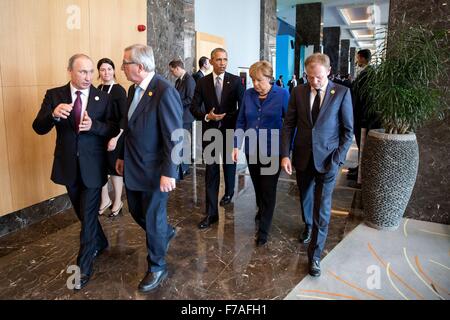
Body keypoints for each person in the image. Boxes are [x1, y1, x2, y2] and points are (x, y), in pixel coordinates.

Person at [32, 54, 119, 290]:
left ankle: (82, 269)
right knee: (83, 213)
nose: (89, 77)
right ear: (69, 71)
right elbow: (38, 127)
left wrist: (95, 126)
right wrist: (52, 115)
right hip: (68, 166)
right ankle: (100, 241)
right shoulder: (55, 95)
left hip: (93, 167)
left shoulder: (103, 98)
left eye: (91, 72)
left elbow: (112, 127)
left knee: (88, 216)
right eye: (83, 72)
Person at [116, 44, 182, 292]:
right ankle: (165, 232)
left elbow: (175, 136)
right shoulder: (134, 89)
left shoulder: (164, 91)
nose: (122, 67)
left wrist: (169, 172)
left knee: (153, 219)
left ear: (140, 67)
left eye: (125, 63)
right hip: (134, 167)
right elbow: (129, 128)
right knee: (135, 211)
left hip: (157, 171)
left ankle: (156, 266)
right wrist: (122, 156)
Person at [280, 53, 353, 277]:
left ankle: (315, 256)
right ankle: (308, 225)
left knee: (322, 207)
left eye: (319, 77)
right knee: (305, 197)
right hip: (302, 157)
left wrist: (337, 160)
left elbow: (348, 131)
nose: (314, 82)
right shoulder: (298, 91)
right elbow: (288, 125)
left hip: (328, 160)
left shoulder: (341, 93)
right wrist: (285, 155)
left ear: (328, 72)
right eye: (310, 77)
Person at [232, 61, 289, 246]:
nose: (255, 84)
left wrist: (286, 152)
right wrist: (235, 145)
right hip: (252, 149)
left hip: (273, 150)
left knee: (268, 189)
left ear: (269, 78)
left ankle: (263, 230)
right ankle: (262, 209)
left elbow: (289, 124)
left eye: (259, 80)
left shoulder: (282, 94)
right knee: (257, 186)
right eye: (252, 80)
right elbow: (241, 121)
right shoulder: (248, 95)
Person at [190, 48, 244, 229]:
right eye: (219, 60)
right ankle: (211, 214)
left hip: (229, 131)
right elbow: (194, 107)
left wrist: (228, 117)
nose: (222, 63)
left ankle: (229, 192)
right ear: (211, 61)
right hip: (210, 132)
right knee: (211, 172)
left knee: (229, 165)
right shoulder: (202, 82)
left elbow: (242, 108)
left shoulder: (235, 81)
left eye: (225, 59)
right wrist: (207, 116)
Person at [96, 58, 127, 217]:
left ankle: (117, 201)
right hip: (100, 134)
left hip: (116, 134)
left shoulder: (119, 90)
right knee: (99, 168)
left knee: (114, 169)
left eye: (109, 69)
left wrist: (116, 137)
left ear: (114, 70)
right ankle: (105, 199)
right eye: (102, 69)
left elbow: (124, 117)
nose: (106, 72)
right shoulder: (98, 88)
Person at [349, 49, 380, 181]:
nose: (357, 61)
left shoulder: (368, 73)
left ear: (362, 58)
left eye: (358, 58)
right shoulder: (368, 72)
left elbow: (362, 96)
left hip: (363, 117)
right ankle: (359, 167)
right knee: (360, 144)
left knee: (362, 144)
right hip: (361, 115)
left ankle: (361, 172)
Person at [169, 59, 196, 179]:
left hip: (186, 116)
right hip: (179, 116)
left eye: (172, 71)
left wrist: (176, 103)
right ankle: (180, 167)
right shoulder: (178, 81)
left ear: (177, 68)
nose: (172, 73)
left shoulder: (189, 80)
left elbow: (190, 99)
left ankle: (185, 168)